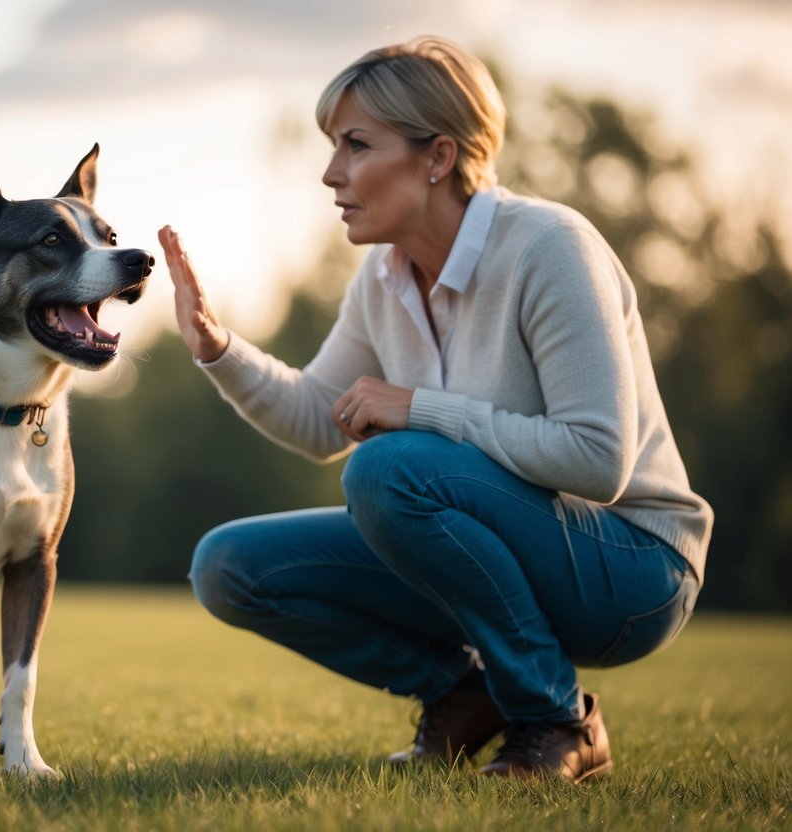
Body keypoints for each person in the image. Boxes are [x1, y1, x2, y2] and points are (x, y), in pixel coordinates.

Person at [156, 35, 712, 782]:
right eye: (332, 146)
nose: (330, 173)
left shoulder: (548, 247)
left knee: (387, 469)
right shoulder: (382, 276)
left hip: (635, 568)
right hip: (513, 549)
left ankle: (553, 721)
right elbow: (324, 418)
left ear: (437, 158)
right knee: (226, 565)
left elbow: (597, 460)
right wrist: (218, 348)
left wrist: (420, 408)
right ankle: (466, 691)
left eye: (355, 144)